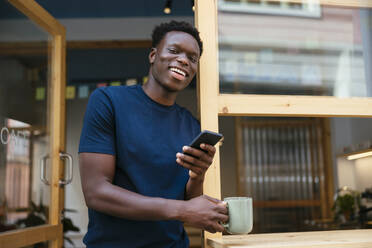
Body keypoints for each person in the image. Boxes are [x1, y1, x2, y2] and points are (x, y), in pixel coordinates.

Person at [78, 20, 228, 248]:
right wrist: (183, 210)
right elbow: (96, 192)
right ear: (153, 56)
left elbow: (189, 201)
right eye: (174, 50)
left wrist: (197, 176)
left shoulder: (191, 125)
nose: (183, 60)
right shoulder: (108, 102)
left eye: (192, 58)